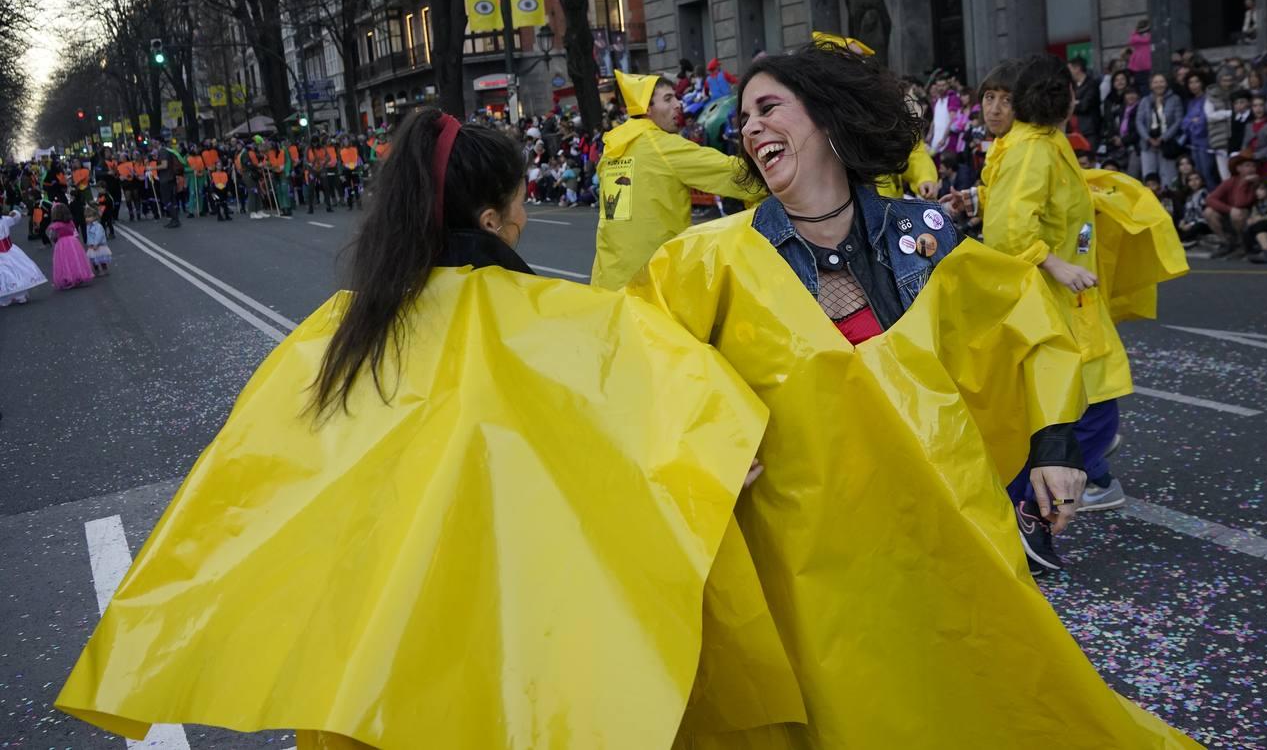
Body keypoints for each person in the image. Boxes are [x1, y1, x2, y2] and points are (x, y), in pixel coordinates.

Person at [57, 108, 773, 750]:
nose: (526, 215)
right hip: (518, 646)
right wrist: (711, 462)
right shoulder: (570, 321)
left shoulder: (342, 335)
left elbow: (250, 484)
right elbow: (655, 421)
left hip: (378, 669)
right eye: (520, 200)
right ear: (490, 220)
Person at [629, 42, 1195, 748]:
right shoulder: (706, 258)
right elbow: (647, 361)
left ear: (828, 118)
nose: (750, 128)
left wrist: (1056, 446)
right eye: (744, 119)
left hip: (940, 528)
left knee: (976, 685)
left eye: (769, 107)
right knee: (843, 709)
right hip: (805, 555)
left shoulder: (922, 236)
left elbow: (1022, 323)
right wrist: (703, 443)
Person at [956, 55, 1149, 566]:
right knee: (1089, 412)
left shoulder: (1038, 142)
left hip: (1070, 300)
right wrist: (1055, 263)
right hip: (1052, 301)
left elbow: (1032, 205)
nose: (994, 107)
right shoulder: (1032, 148)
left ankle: (1034, 499)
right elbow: (1010, 231)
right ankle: (1027, 508)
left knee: (1076, 407)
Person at [590, 70, 762, 290]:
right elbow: (732, 173)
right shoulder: (661, 146)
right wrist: (779, 175)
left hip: (608, 281)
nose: (678, 104)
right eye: (668, 98)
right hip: (652, 280)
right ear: (647, 109)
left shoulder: (612, 150)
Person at [1204, 153, 1260, 257]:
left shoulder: (1256, 183)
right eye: (1247, 165)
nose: (1251, 169)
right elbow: (1210, 199)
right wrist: (1229, 209)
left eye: (1253, 166)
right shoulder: (1230, 181)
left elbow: (1241, 203)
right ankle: (1226, 242)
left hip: (1250, 215)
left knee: (1237, 214)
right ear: (1238, 168)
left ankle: (1242, 245)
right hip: (1231, 215)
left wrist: (1244, 183)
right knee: (1209, 212)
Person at [1138, 72, 1184, 184]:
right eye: (1155, 82)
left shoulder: (1175, 99)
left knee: (1168, 177)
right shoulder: (1145, 101)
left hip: (1167, 143)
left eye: (1161, 82)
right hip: (1148, 144)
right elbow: (1139, 121)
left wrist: (1163, 138)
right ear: (1151, 85)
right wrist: (1148, 138)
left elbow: (1178, 120)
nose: (1159, 85)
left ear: (1166, 83)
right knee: (1149, 176)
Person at [0, 206, 46, 306]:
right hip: (9, 250)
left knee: (7, 273)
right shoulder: (5, 220)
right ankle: (14, 296)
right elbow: (16, 217)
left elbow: (15, 217)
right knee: (13, 271)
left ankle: (11, 296)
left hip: (7, 249)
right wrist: (14, 212)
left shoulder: (5, 219)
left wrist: (14, 213)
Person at [48, 203, 95, 290]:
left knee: (64, 261)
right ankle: (78, 276)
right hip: (73, 242)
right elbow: (74, 230)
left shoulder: (55, 226)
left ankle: (68, 278)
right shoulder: (70, 222)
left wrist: (55, 239)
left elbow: (52, 236)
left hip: (61, 243)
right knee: (75, 259)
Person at [84, 207, 111, 276]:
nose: (87, 219)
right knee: (93, 259)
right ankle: (97, 270)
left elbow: (99, 236)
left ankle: (104, 270)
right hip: (91, 246)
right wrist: (88, 243)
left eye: (89, 217)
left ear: (95, 217)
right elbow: (88, 235)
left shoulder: (98, 226)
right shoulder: (88, 226)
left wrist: (96, 244)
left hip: (99, 246)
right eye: (86, 217)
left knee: (101, 259)